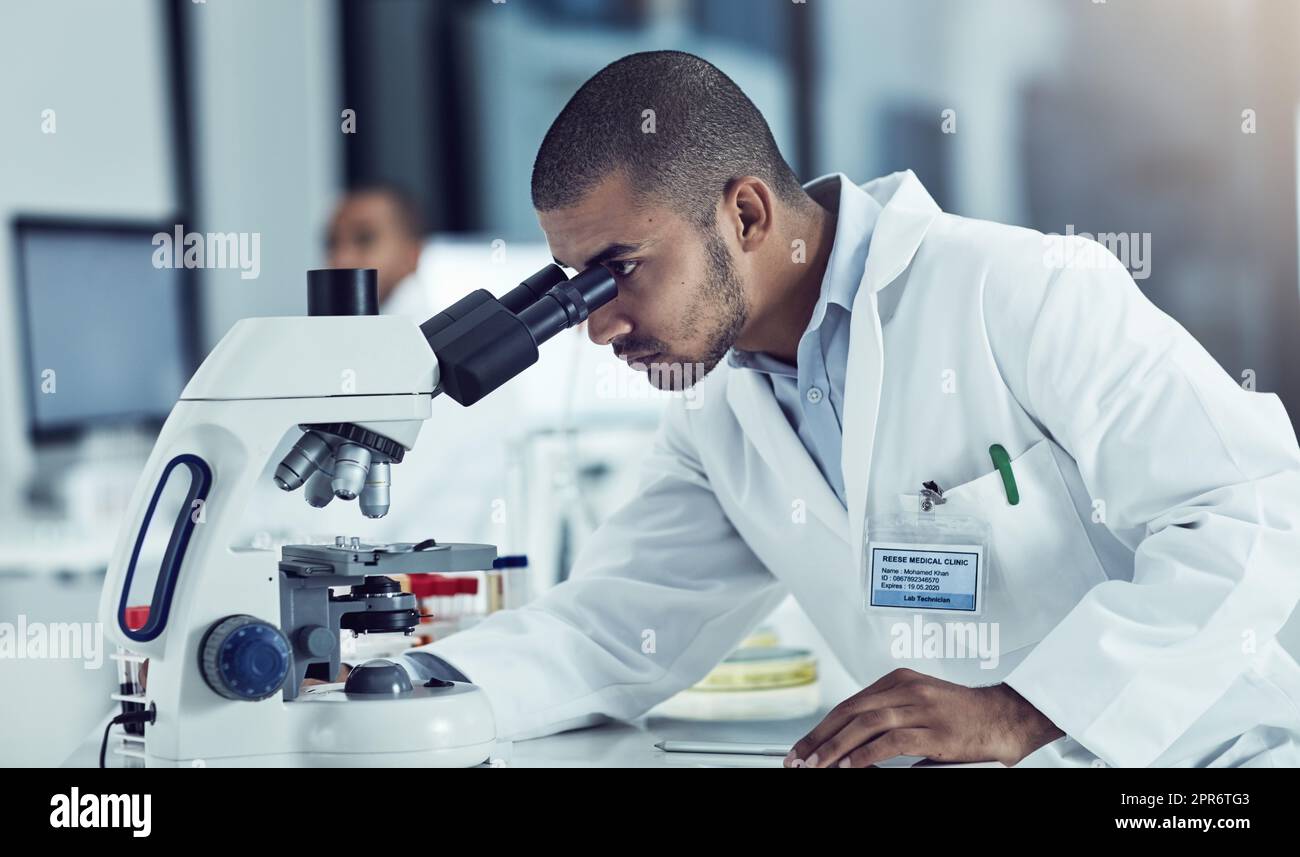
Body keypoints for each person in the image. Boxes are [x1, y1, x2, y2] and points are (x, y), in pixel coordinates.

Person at [393, 51, 1300, 768]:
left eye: (617, 270)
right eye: (576, 284)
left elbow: (1250, 508)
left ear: (746, 214)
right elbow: (606, 632)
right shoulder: (718, 422)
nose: (598, 327)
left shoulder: (1017, 291)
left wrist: (1023, 709)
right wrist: (400, 686)